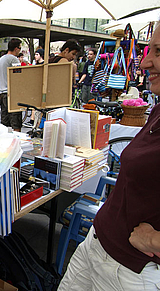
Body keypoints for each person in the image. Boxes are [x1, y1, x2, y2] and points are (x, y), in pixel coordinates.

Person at [58, 23, 160, 291]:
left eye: (159, 52)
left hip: (132, 270)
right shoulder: (158, 110)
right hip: (99, 240)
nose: (146, 61)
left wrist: (154, 241)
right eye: (150, 50)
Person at [0, 38, 22, 132]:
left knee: (4, 123)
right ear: (16, 48)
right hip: (12, 95)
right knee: (16, 123)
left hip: (2, 94)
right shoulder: (13, 59)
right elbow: (19, 76)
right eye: (20, 48)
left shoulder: (0, 60)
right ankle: (17, 143)